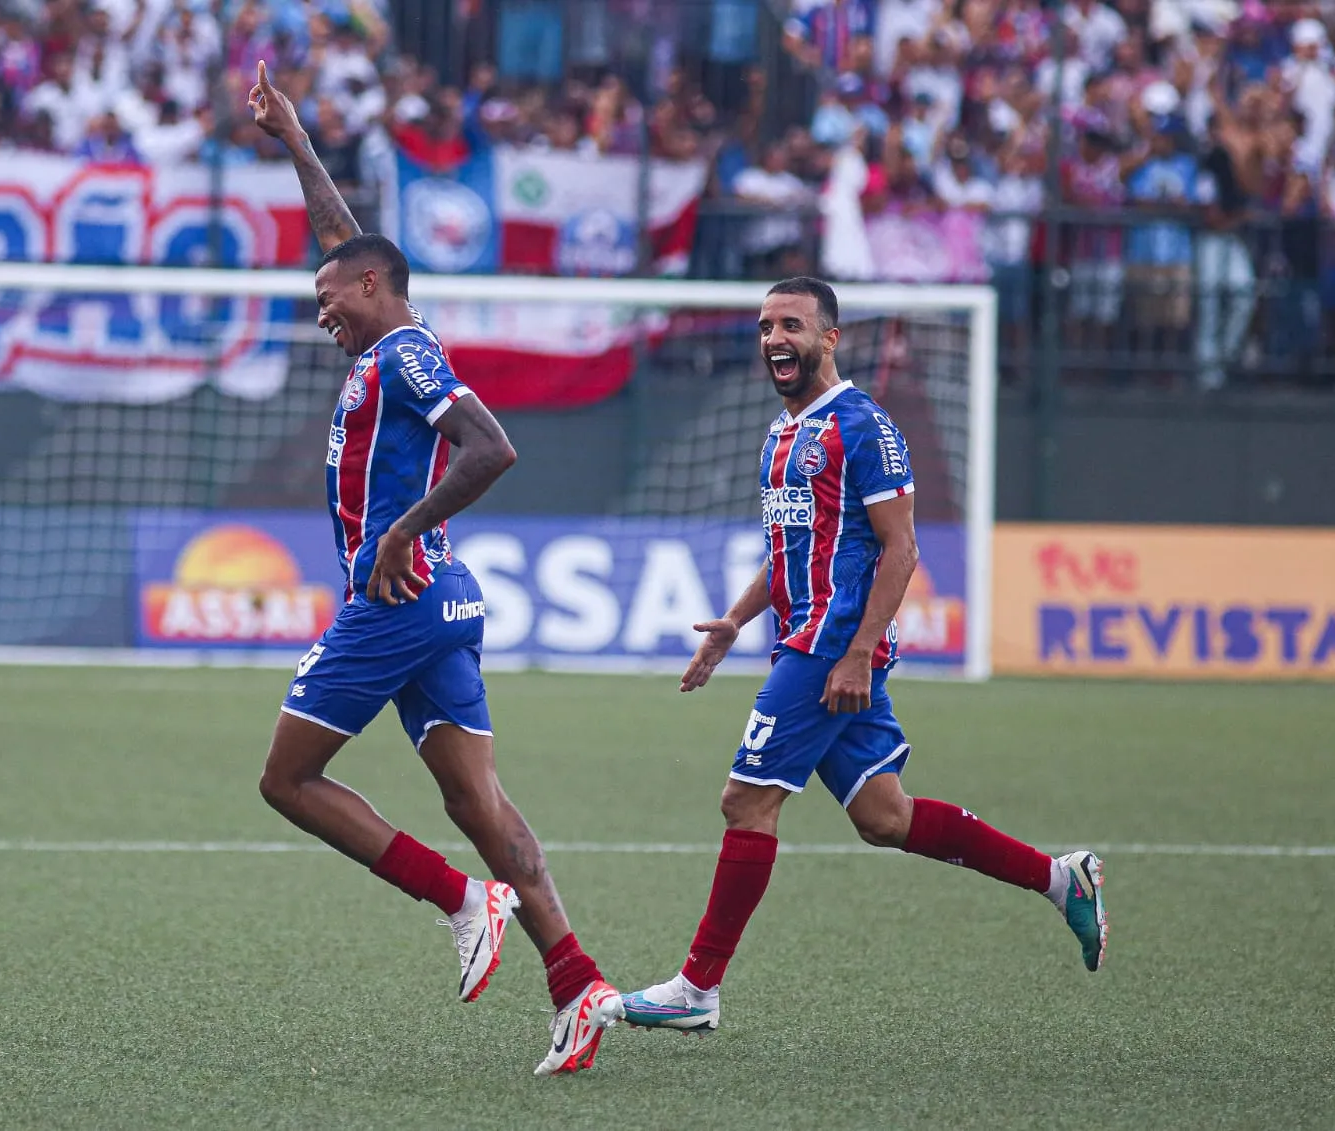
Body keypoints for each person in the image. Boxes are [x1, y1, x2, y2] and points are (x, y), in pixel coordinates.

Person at [245, 61, 623, 1077]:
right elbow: (342, 238)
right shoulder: (382, 339)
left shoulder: (406, 353)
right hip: (443, 606)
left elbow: (492, 447)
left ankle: (461, 901)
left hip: (399, 601)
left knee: (286, 779)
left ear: (377, 288)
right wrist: (295, 139)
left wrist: (401, 534)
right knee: (479, 806)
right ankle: (577, 982)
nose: (321, 307)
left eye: (332, 295)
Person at [621, 277, 1109, 1033]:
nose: (774, 339)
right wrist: (734, 621)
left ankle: (697, 987)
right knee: (885, 816)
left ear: (829, 337)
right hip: (806, 639)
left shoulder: (863, 426)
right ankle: (1060, 879)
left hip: (828, 649)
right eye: (765, 327)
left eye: (791, 325)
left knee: (746, 802)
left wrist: (856, 653)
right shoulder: (781, 433)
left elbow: (902, 547)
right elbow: (788, 552)